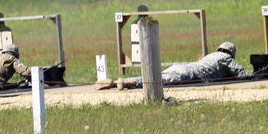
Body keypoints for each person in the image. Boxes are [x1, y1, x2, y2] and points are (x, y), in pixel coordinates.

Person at [97, 41, 248, 90]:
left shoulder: (211, 55)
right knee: (158, 82)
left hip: (182, 66)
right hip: (190, 73)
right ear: (231, 52)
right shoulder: (226, 58)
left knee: (158, 77)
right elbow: (241, 74)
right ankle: (127, 82)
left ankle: (117, 82)